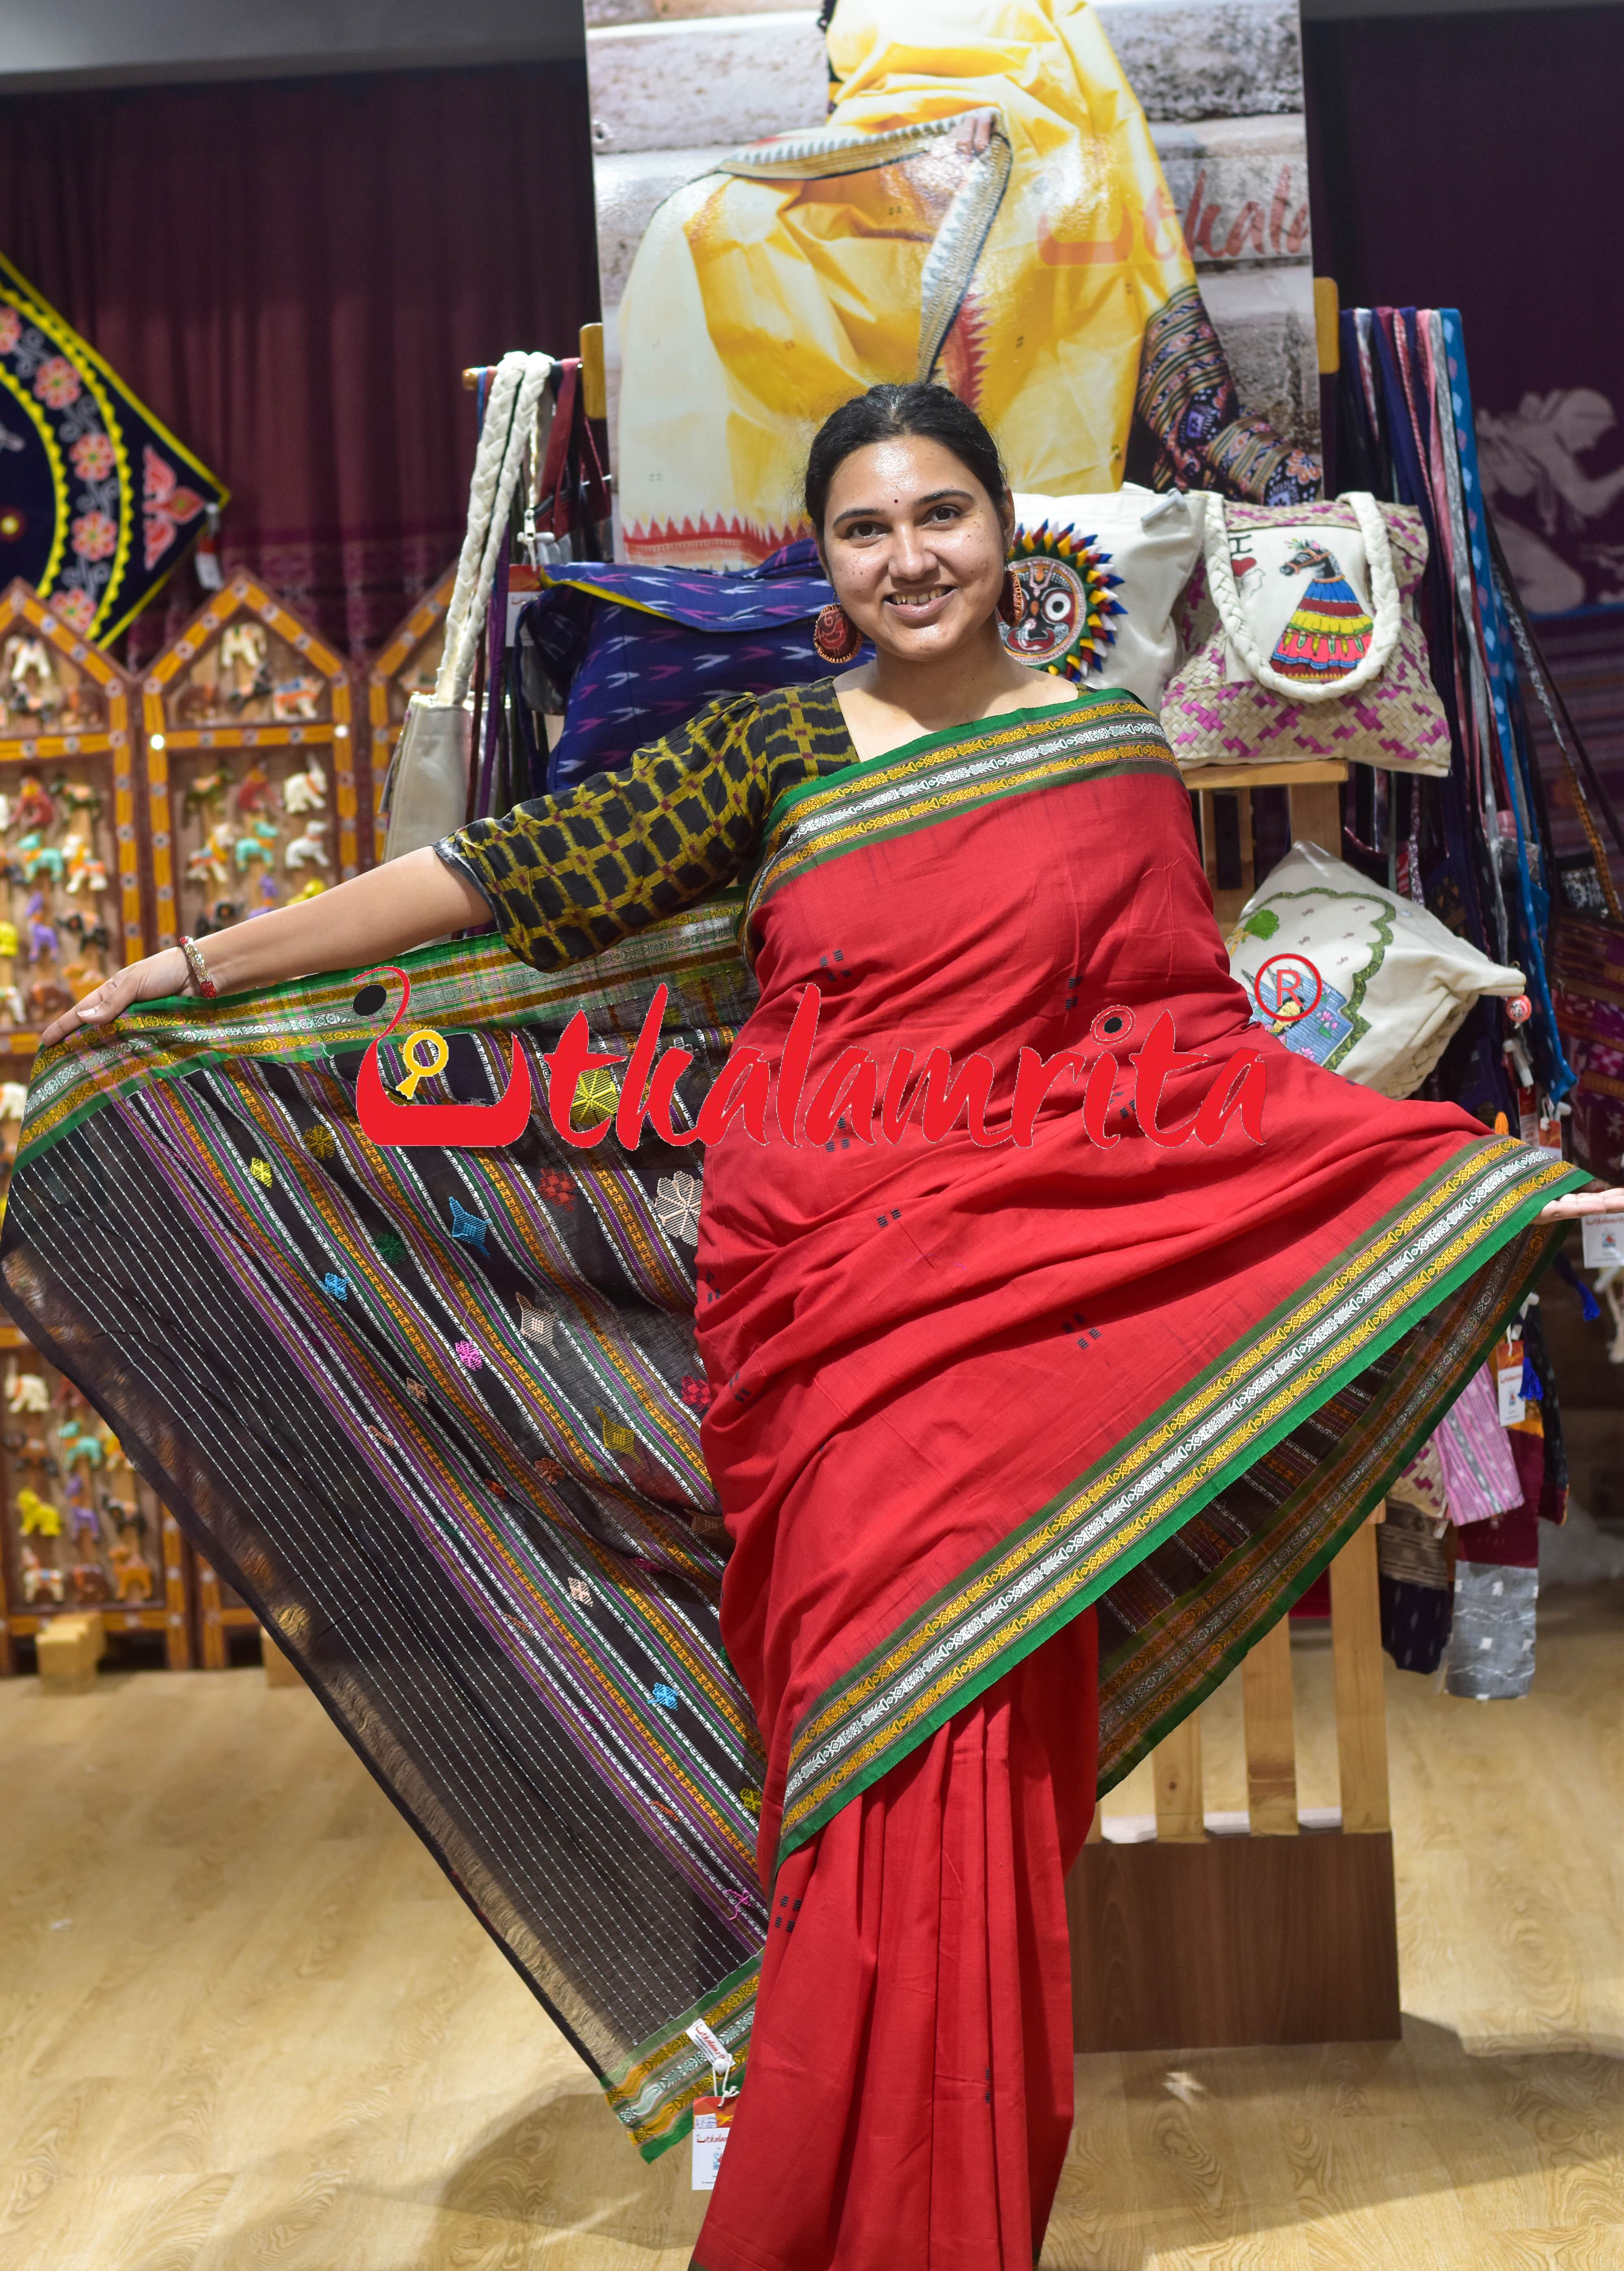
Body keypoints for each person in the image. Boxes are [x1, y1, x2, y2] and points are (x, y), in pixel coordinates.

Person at [35, 385, 1620, 2271]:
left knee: (976, 1756)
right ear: (827, 563)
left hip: (1018, 1319)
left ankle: (939, 2213)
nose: (909, 557)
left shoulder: (1102, 750)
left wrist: (1448, 1178)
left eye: (940, 514)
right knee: (863, 1753)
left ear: (1005, 532)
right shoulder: (767, 750)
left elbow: (1187, 1048)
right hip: (830, 1318)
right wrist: (198, 964)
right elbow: (501, 880)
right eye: (865, 530)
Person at [615, 0, 1319, 569]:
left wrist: (982, 105)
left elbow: (1024, 56)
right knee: (707, 224)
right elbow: (884, 82)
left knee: (717, 225)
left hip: (984, 158)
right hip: (892, 158)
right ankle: (749, 540)